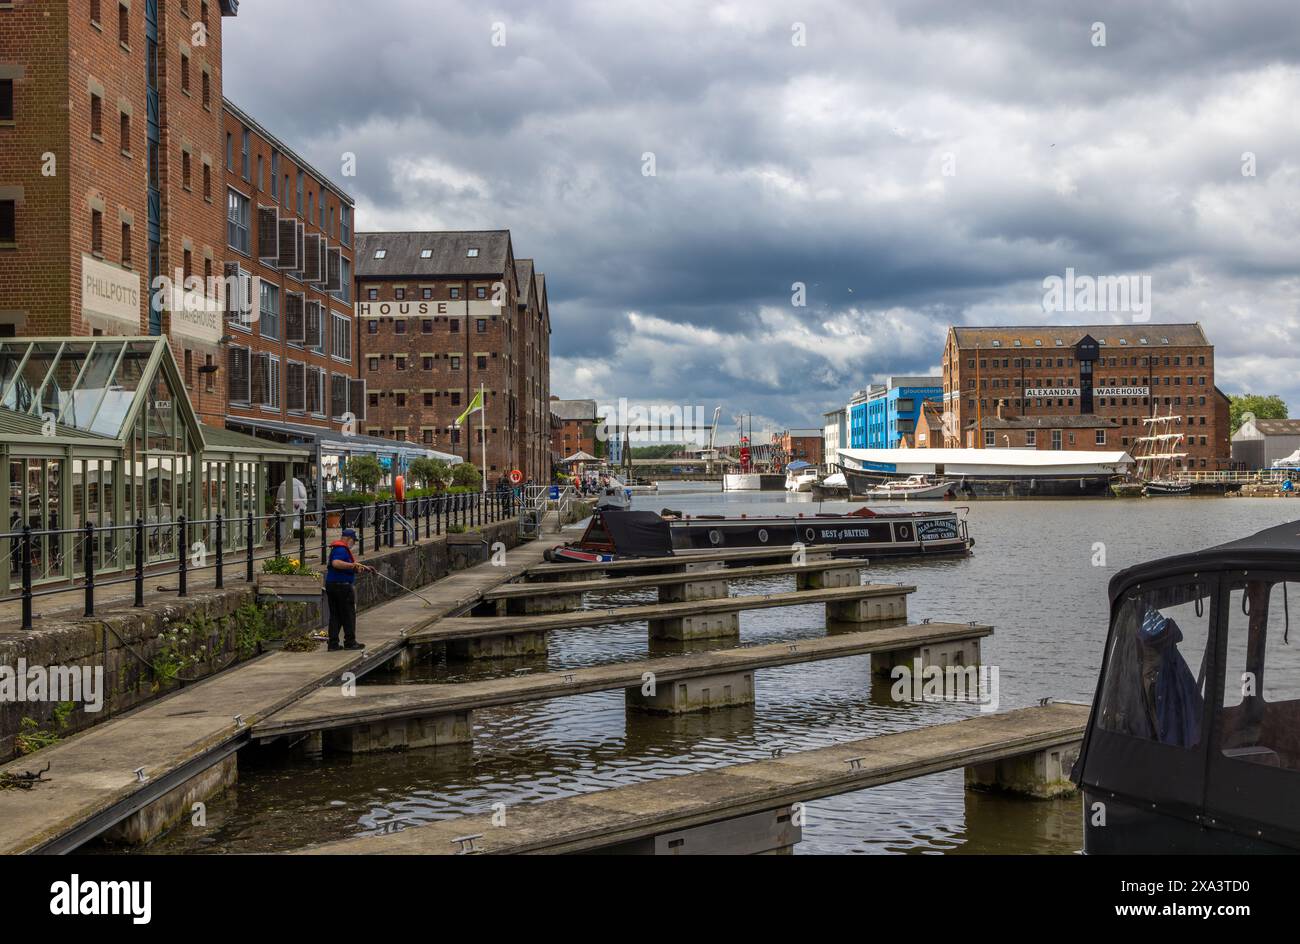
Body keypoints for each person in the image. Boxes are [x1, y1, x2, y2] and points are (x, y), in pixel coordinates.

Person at [325, 528, 370, 651]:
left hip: (332, 584)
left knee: (336, 616)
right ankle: (350, 642)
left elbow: (342, 565)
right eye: (354, 541)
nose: (354, 544)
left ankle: (333, 643)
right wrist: (353, 565)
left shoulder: (337, 549)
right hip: (342, 586)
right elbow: (336, 563)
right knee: (348, 614)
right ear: (349, 539)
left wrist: (359, 567)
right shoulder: (341, 549)